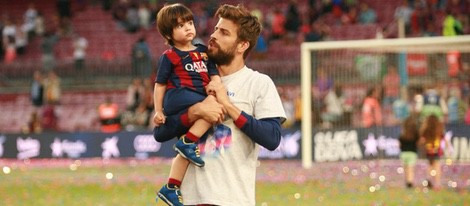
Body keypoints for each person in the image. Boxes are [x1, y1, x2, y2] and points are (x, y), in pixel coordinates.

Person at [153, 4, 286, 205]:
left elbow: (272, 138)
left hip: (230, 199)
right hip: (189, 199)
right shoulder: (191, 77)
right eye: (216, 28)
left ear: (242, 45)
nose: (213, 35)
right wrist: (194, 111)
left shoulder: (258, 83)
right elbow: (160, 133)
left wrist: (228, 106)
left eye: (224, 32)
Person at [153, 4, 221, 205]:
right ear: (169, 33)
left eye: (190, 23)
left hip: (198, 98)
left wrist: (215, 86)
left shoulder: (203, 51)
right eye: (181, 25)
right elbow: (160, 85)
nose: (188, 28)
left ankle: (171, 187)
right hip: (179, 96)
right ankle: (187, 142)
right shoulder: (169, 56)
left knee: (189, 147)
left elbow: (214, 74)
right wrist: (158, 110)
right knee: (211, 108)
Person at [419, 114, 448, 190]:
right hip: (437, 151)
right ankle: (437, 184)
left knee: (429, 167)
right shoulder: (439, 129)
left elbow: (422, 140)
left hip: (428, 151)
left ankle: (429, 180)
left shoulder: (425, 130)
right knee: (437, 167)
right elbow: (444, 139)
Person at [398, 115, 420, 188]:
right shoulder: (416, 134)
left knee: (406, 168)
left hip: (403, 153)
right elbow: (418, 143)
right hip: (412, 153)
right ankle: (410, 182)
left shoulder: (403, 134)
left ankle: (407, 181)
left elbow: (399, 144)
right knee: (411, 169)